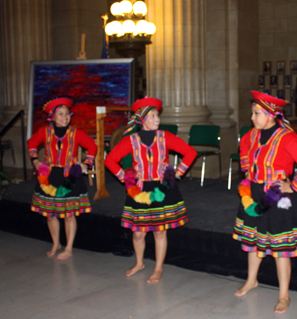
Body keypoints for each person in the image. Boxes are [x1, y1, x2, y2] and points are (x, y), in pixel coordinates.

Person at [232, 90, 297, 314]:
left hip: (278, 196)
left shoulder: (287, 137)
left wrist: (294, 185)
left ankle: (284, 295)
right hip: (253, 194)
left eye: (256, 113)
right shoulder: (250, 135)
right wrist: (247, 169)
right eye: (252, 113)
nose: (252, 117)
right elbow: (243, 147)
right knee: (252, 241)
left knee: (281, 248)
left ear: (270, 115)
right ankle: (252, 280)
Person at [104, 97, 197, 283]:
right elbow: (110, 161)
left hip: (161, 188)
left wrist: (178, 172)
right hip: (139, 190)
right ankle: (139, 263)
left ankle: (158, 268)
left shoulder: (165, 137)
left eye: (157, 116)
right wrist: (126, 178)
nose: (157, 119)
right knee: (138, 232)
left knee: (159, 231)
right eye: (153, 116)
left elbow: (190, 152)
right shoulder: (130, 140)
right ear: (142, 119)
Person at [28, 97, 97, 260]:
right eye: (60, 114)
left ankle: (69, 247)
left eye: (67, 114)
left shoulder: (76, 133)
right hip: (50, 176)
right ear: (52, 116)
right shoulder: (44, 132)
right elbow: (31, 143)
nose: (65, 117)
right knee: (50, 214)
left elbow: (92, 146)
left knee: (69, 214)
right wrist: (36, 161)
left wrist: (86, 164)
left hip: (69, 177)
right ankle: (56, 243)